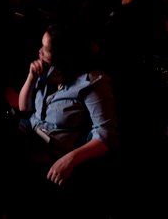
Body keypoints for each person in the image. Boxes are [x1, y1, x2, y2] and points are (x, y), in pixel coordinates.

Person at [14, 24, 118, 216]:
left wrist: (71, 159)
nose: (39, 51)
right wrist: (31, 77)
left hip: (53, 151)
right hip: (29, 135)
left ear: (64, 55)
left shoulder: (93, 83)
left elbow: (106, 137)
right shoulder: (51, 69)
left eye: (46, 49)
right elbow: (24, 109)